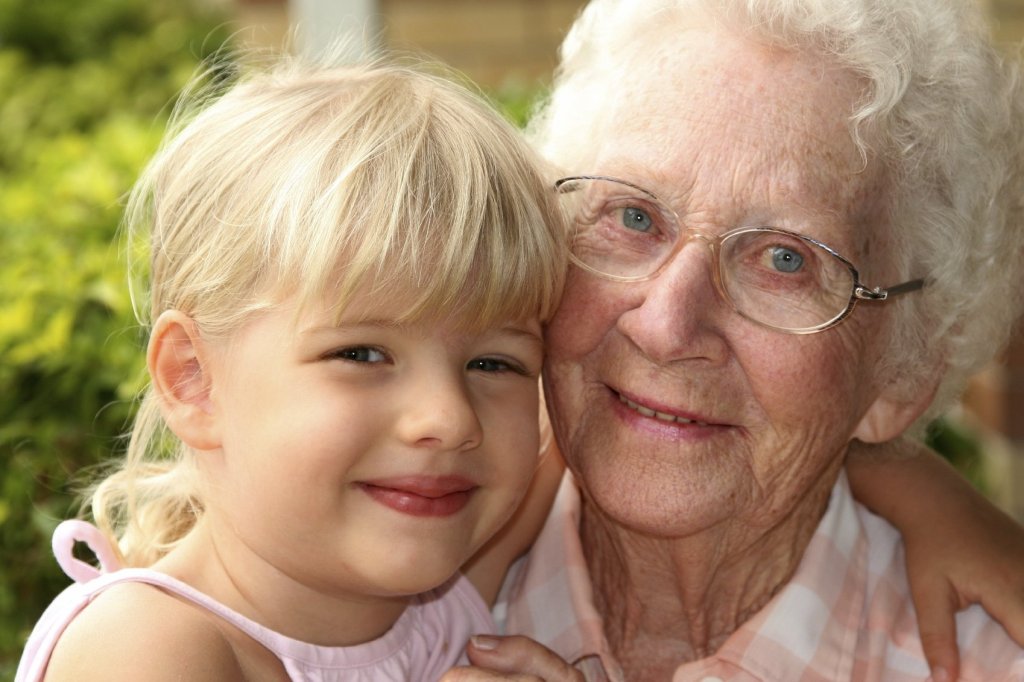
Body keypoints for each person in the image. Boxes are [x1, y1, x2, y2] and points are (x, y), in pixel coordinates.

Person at [448, 0, 1024, 680]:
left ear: (905, 367)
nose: (665, 327)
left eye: (785, 259)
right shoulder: (376, 592)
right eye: (634, 216)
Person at [15, 57, 568, 681]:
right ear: (193, 379)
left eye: (495, 362)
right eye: (361, 354)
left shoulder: (447, 604)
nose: (448, 417)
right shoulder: (146, 648)